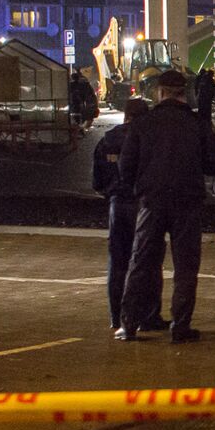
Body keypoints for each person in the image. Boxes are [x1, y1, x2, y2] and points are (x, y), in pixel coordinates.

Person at [116, 70, 215, 343]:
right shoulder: (198, 124)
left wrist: (139, 187)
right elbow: (213, 164)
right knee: (186, 265)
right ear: (183, 93)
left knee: (141, 261)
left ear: (160, 92)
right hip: (187, 201)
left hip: (151, 201)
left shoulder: (143, 123)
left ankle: (128, 324)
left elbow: (125, 167)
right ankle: (180, 325)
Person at [92, 97, 151, 331]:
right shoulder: (145, 139)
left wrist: (111, 193)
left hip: (117, 205)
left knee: (117, 263)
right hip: (141, 204)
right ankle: (145, 316)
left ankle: (116, 316)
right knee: (145, 261)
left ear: (125, 115)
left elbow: (97, 181)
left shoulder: (107, 140)